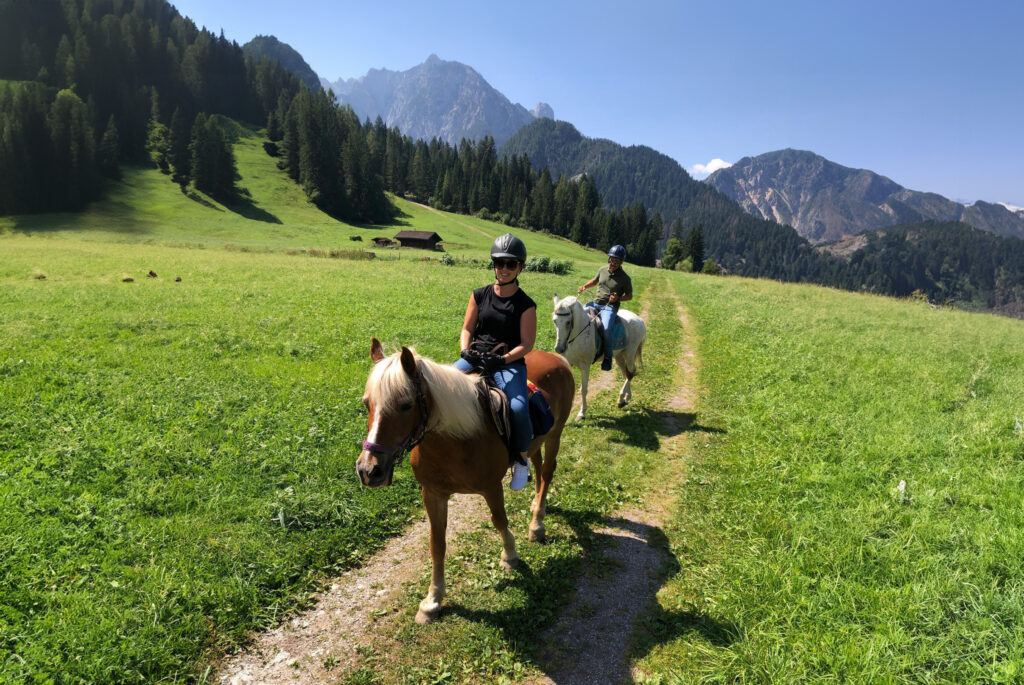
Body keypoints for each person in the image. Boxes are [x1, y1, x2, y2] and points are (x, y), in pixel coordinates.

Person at [454, 233, 536, 490]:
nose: (503, 268)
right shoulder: (479, 295)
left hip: (508, 363)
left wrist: (503, 358)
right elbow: (467, 329)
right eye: (499, 262)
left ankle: (521, 460)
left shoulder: (525, 304)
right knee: (442, 387)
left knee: (519, 408)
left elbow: (527, 343)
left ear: (520, 267)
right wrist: (465, 350)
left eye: (510, 264)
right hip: (476, 357)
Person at [577, 245, 633, 371]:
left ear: (621, 262)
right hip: (595, 303)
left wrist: (618, 298)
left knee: (607, 328)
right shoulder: (602, 270)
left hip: (609, 308)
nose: (613, 263)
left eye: (616, 260)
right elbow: (594, 281)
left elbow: (629, 296)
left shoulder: (625, 278)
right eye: (612, 259)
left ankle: (607, 357)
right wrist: (584, 286)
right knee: (579, 318)